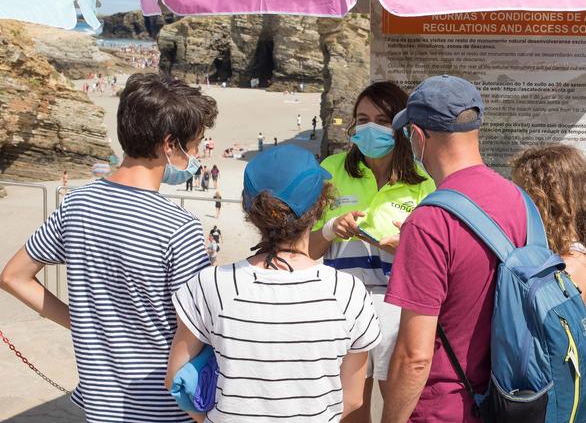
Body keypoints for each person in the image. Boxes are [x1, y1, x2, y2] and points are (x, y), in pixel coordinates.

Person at [0, 73, 217, 422]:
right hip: (165, 408)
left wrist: (80, 323)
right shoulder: (179, 227)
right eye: (194, 145)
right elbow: (198, 326)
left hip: (101, 404)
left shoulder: (77, 204)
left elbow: (13, 277)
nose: (196, 157)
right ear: (169, 145)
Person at [166, 144, 381, 422]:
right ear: (320, 206)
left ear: (249, 209)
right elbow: (352, 398)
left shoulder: (211, 285)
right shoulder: (348, 292)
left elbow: (177, 378)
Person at [380, 75, 527, 423]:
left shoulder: (430, 221)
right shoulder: (519, 201)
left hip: (445, 408)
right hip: (510, 401)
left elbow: (415, 356)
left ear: (418, 136)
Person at [309, 81, 435, 422]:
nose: (370, 128)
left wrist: (403, 247)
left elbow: (436, 260)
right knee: (349, 411)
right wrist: (331, 229)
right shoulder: (330, 170)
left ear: (401, 127)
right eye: (362, 119)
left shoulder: (424, 181)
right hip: (339, 307)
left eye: (382, 120)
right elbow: (307, 248)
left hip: (399, 311)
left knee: (399, 413)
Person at [509, 144, 586, 342]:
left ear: (548, 203)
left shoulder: (569, 267)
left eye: (522, 195)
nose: (515, 203)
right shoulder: (570, 255)